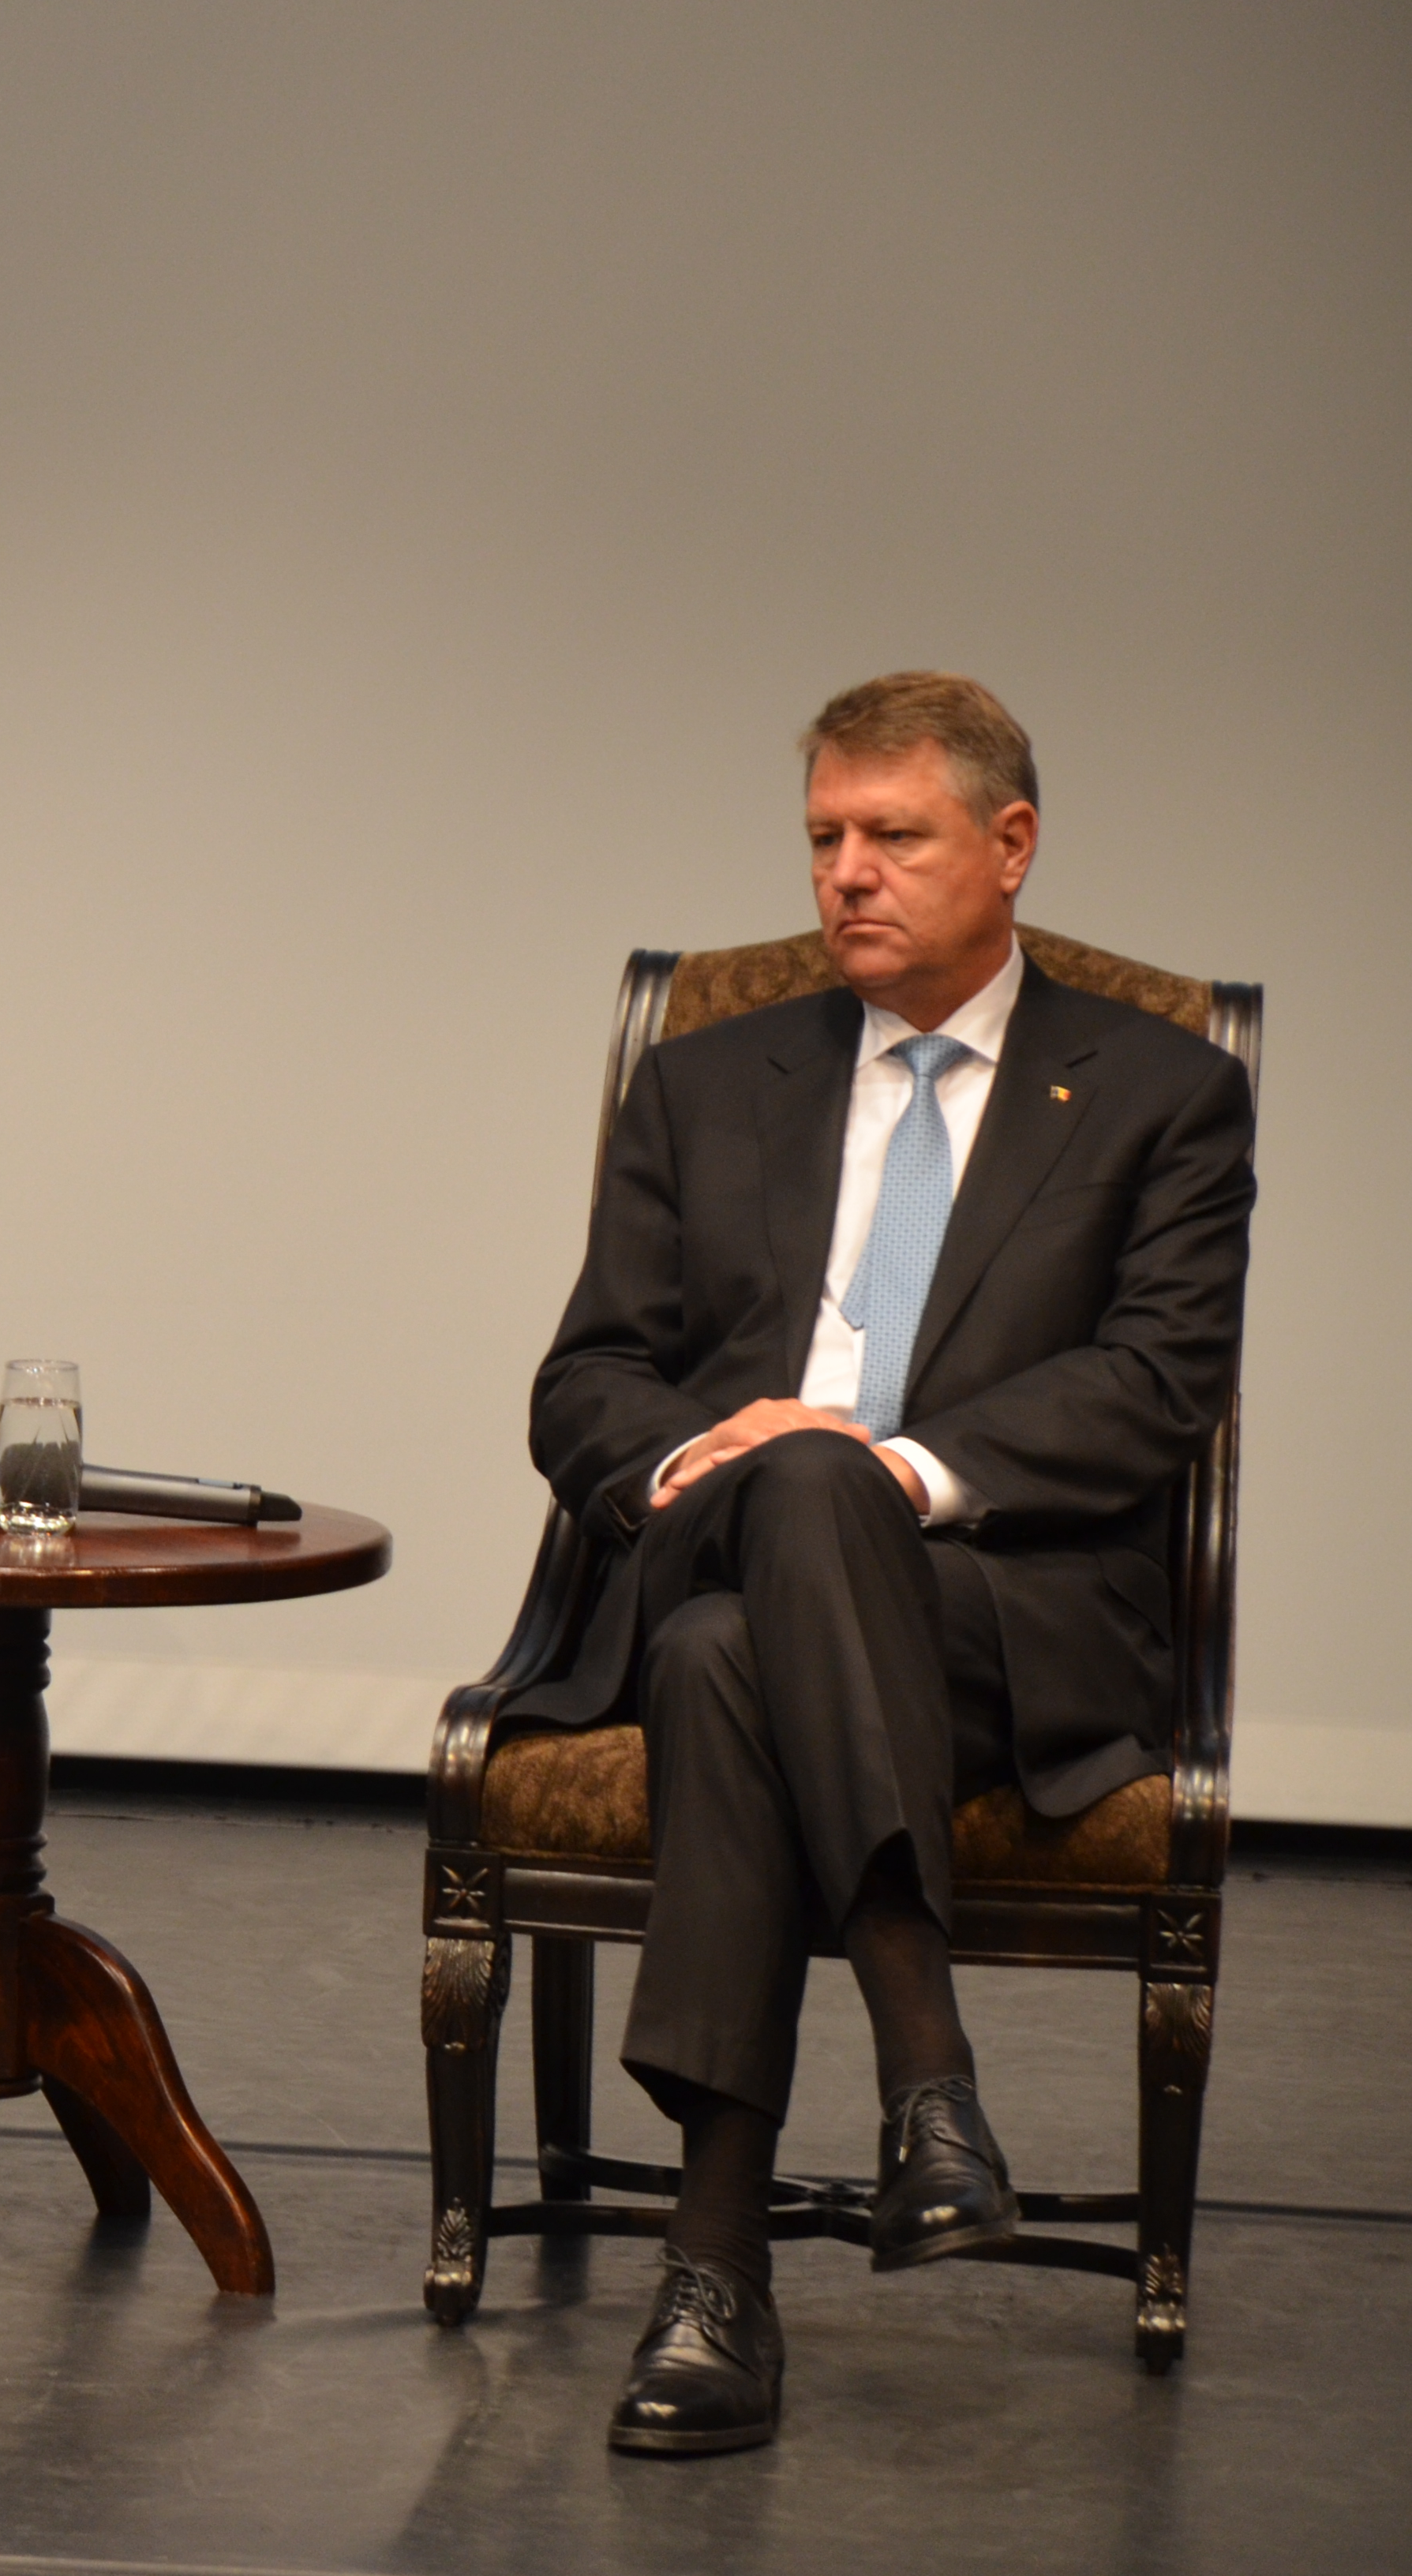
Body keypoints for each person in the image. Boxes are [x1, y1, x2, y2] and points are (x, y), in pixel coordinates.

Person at [507, 672, 1253, 2454]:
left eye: (892, 836)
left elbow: (1157, 1382)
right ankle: (929, 2085)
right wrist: (717, 1454)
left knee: (732, 1649)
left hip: (1007, 1608)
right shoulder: (708, 1081)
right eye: (825, 838)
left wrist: (879, 1469)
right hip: (725, 1544)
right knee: (770, 1533)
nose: (846, 873)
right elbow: (588, 1376)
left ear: (1010, 844)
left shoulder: (1162, 1094)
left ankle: (714, 2280)